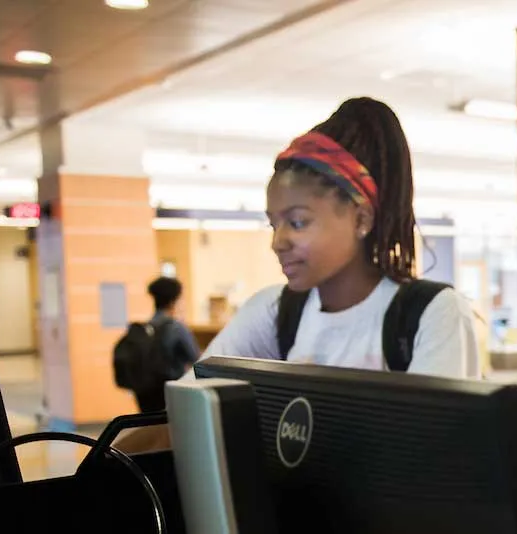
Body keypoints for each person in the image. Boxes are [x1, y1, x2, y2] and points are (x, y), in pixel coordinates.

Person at [115, 97, 479, 452]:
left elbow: (428, 455)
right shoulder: (273, 312)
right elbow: (180, 415)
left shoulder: (433, 315)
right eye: (274, 224)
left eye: (298, 222)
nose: (279, 242)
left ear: (361, 218)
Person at [131, 277, 200, 412]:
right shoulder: (176, 328)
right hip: (170, 393)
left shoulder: (145, 328)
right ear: (174, 300)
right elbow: (195, 358)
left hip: (145, 394)